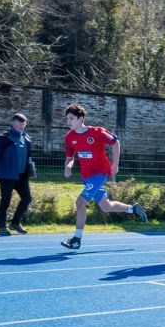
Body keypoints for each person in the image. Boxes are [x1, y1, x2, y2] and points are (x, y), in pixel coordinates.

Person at [60, 104, 147, 250]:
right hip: (87, 177)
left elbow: (115, 143)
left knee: (80, 202)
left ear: (81, 119)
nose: (68, 122)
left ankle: (76, 239)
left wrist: (115, 164)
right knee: (106, 207)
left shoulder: (97, 132)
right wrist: (68, 167)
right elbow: (70, 158)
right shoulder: (69, 138)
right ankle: (133, 209)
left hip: (99, 174)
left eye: (71, 119)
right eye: (67, 119)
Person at [0, 113, 35, 236]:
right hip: (7, 175)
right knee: (6, 201)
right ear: (13, 123)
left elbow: (28, 156)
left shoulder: (27, 138)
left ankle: (15, 223)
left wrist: (30, 169)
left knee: (27, 199)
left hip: (22, 175)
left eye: (23, 124)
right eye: (19, 123)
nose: (21, 126)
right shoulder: (4, 138)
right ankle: (2, 227)